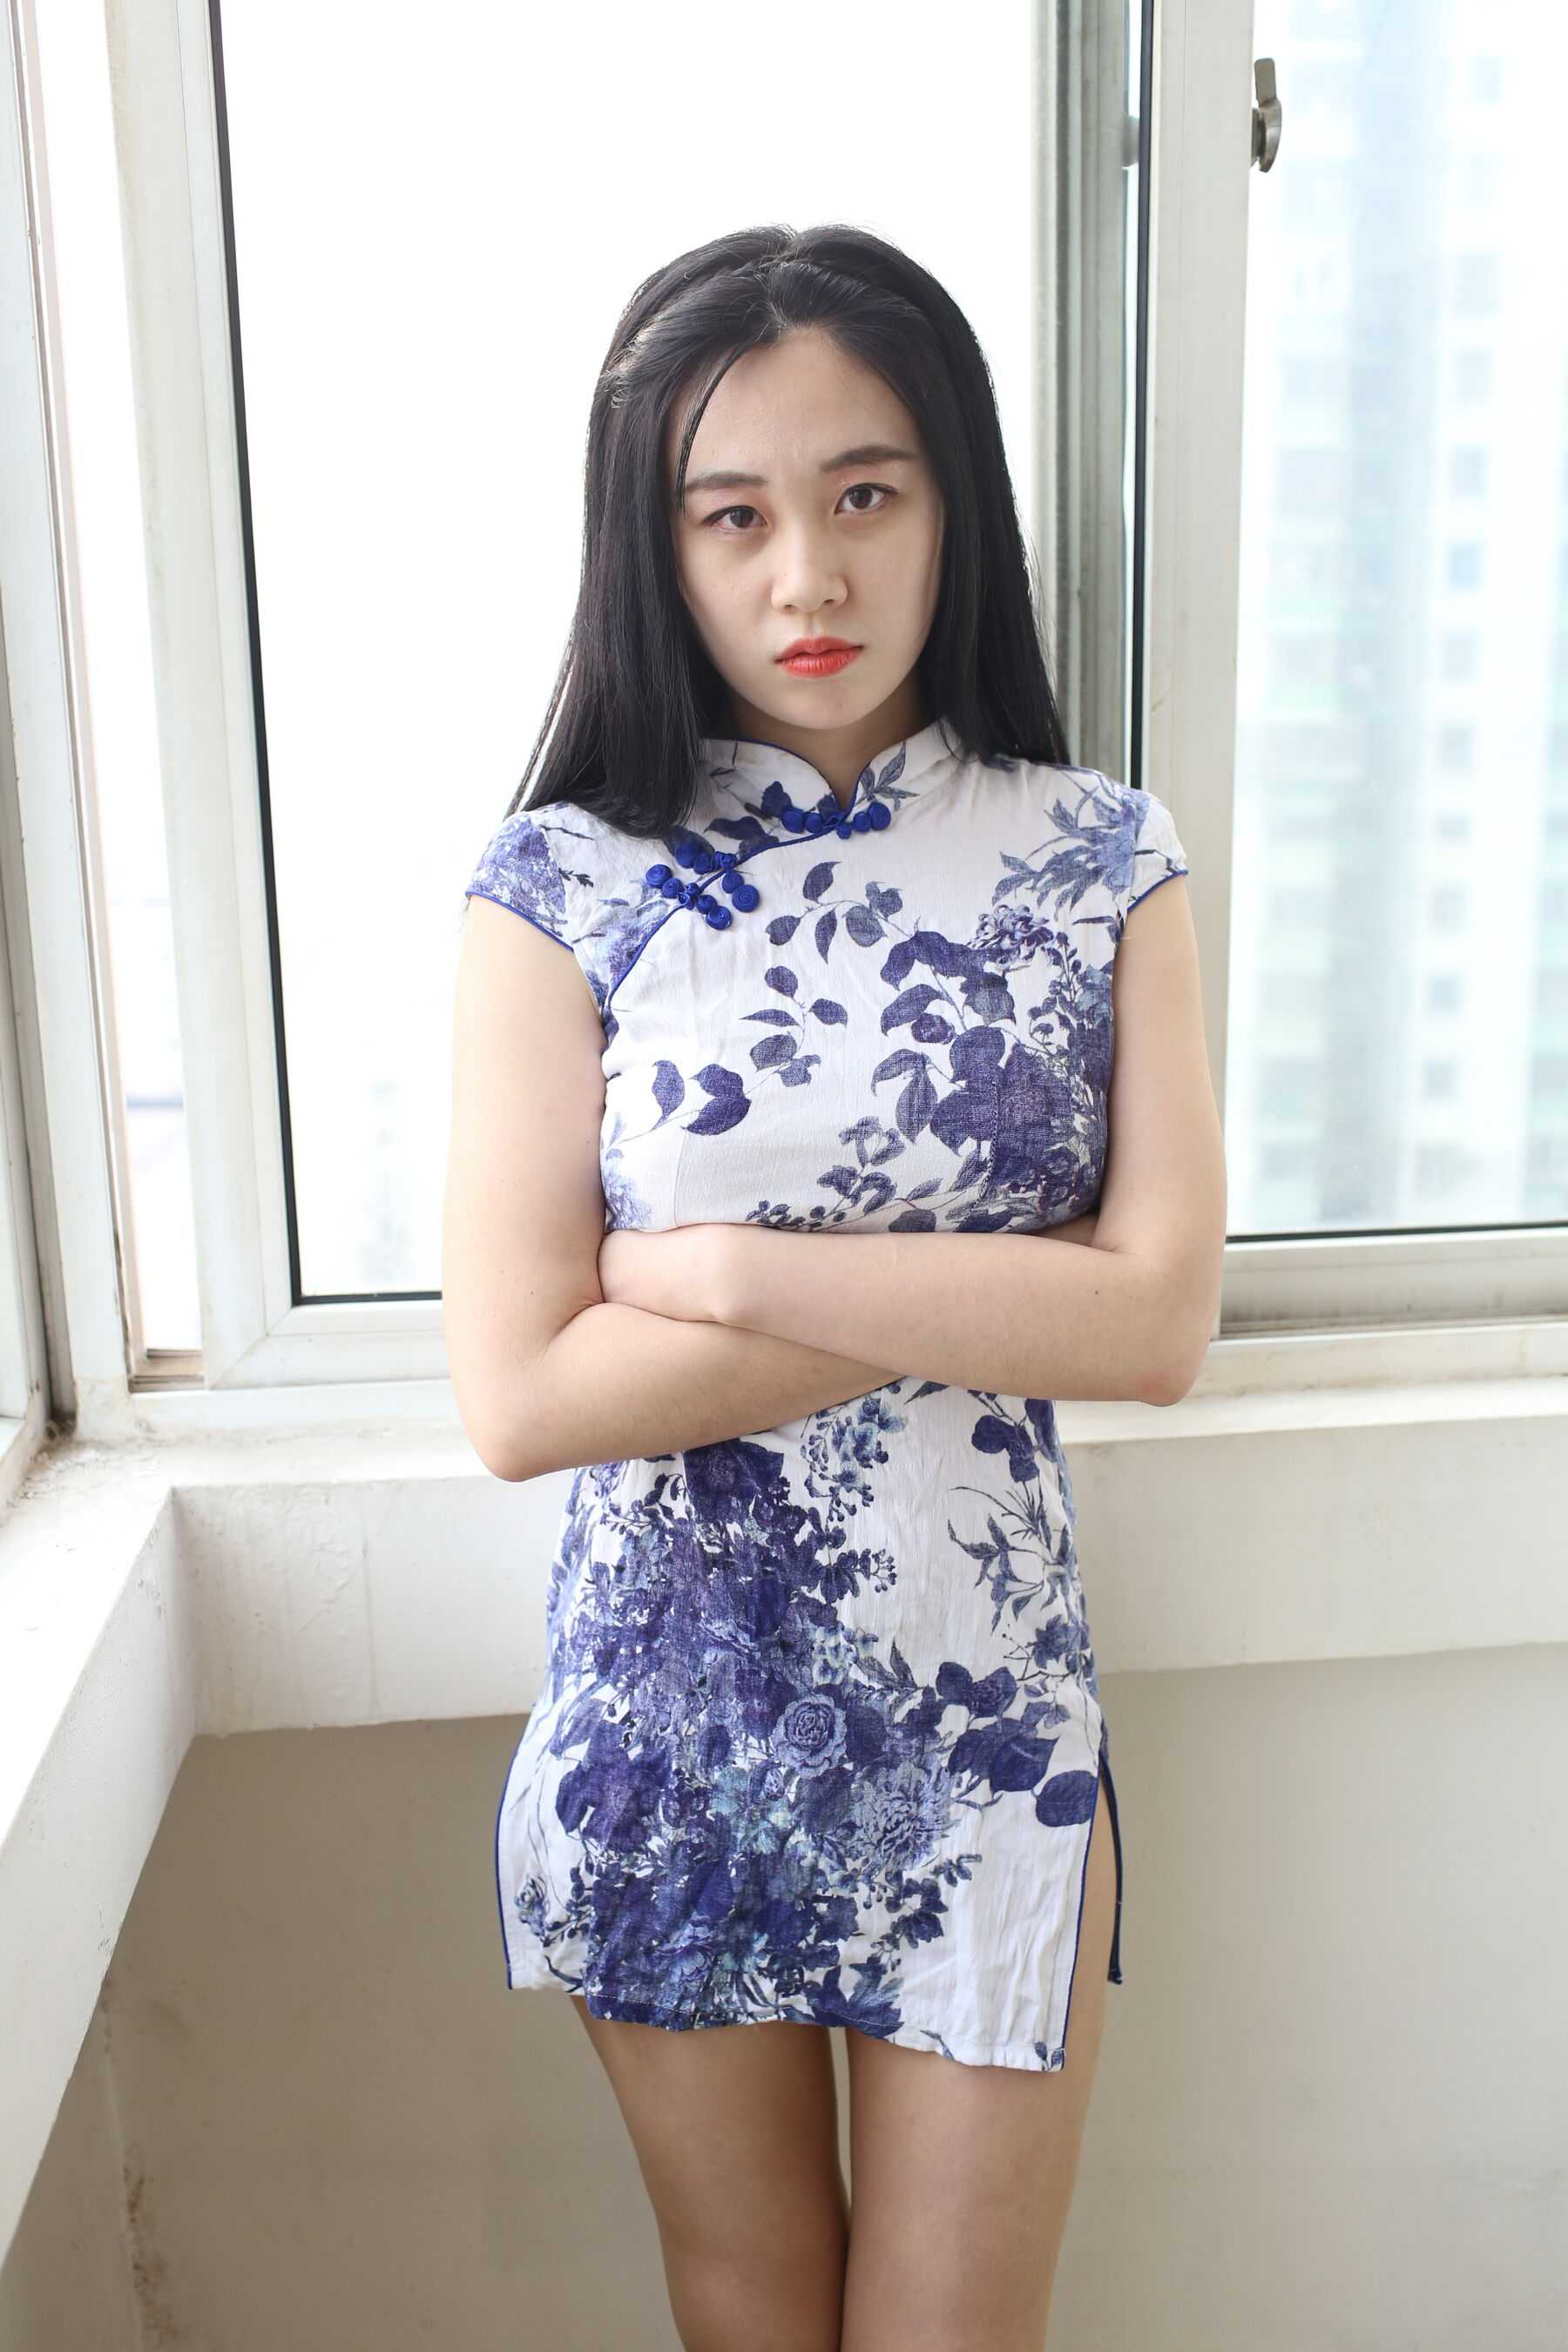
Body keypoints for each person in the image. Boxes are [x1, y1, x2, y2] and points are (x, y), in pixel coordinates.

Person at [443, 221, 1226, 2352]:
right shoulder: (561, 885)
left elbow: (1155, 1323)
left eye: (866, 493)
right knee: (754, 2314)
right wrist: (998, 1290)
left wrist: (709, 1270)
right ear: (656, 544)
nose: (810, 573)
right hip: (670, 1720)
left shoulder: (1102, 857)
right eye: (735, 515)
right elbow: (525, 1395)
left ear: (952, 505)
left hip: (993, 1725)